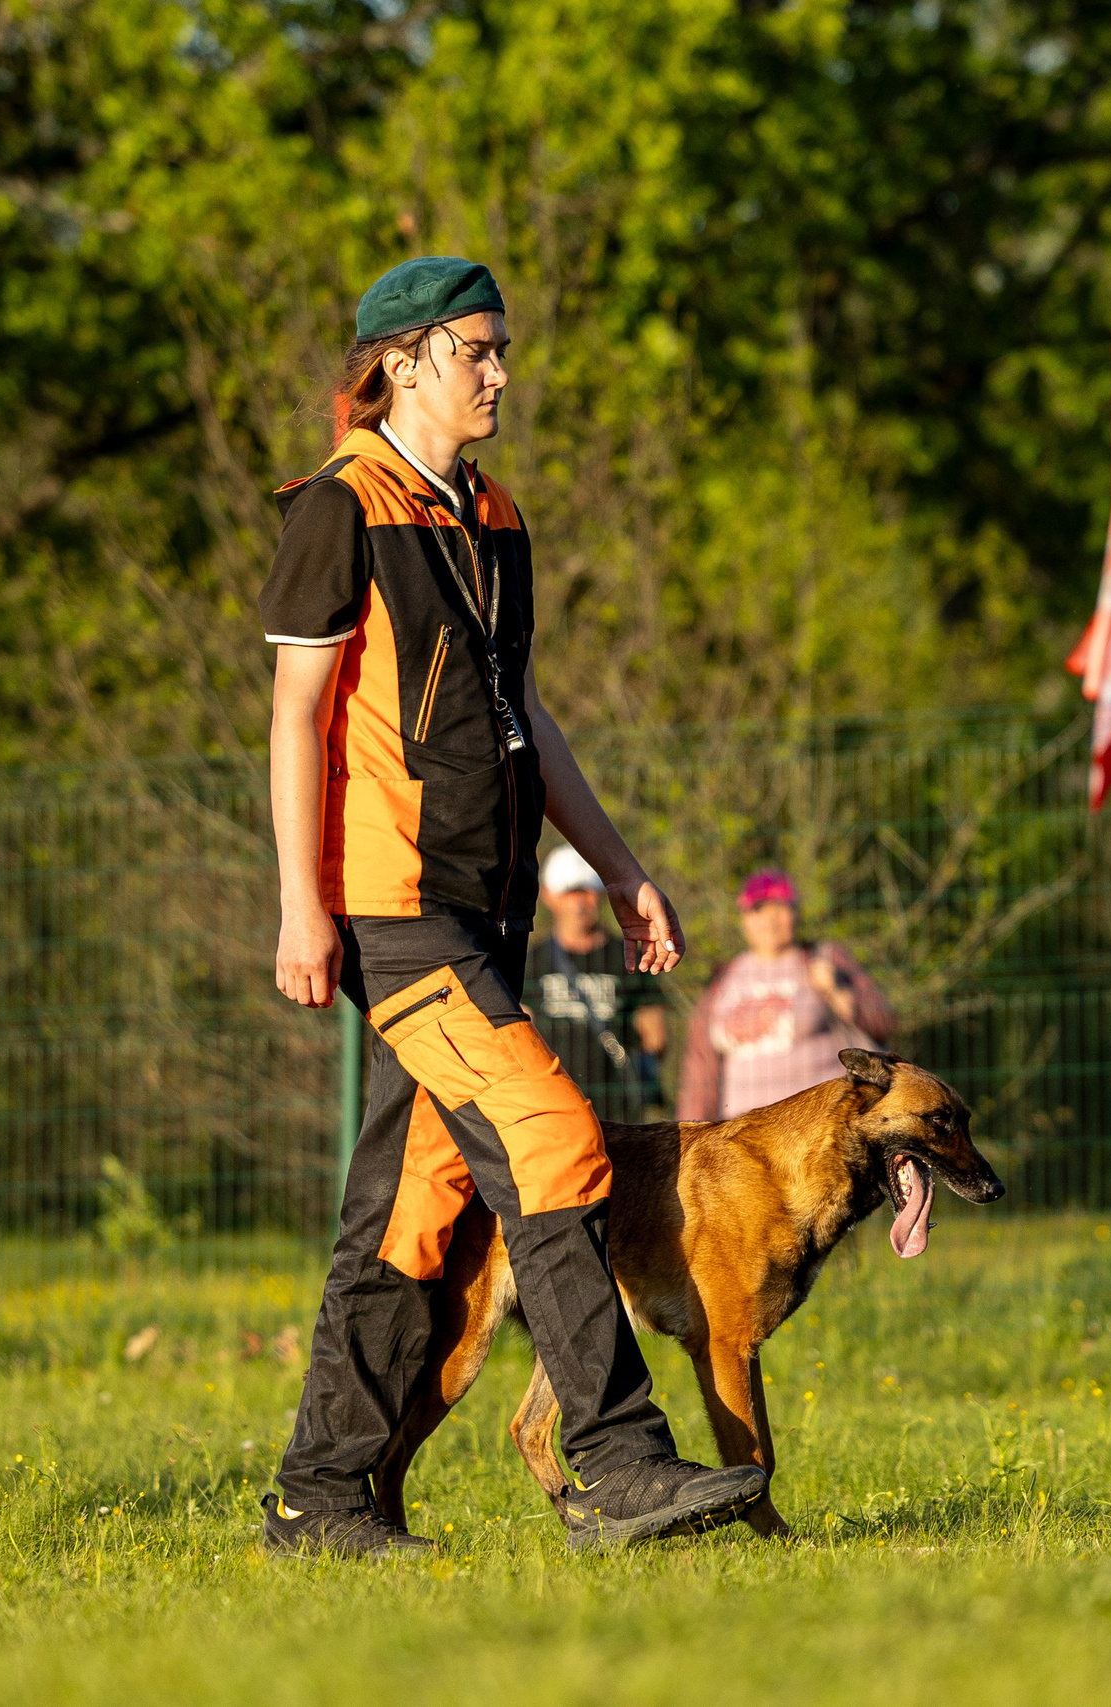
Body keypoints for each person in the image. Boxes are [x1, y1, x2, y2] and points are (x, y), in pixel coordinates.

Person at [258, 256, 767, 1558]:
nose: (499, 371)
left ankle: (319, 1500)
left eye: (501, 348)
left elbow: (521, 709)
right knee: (552, 1132)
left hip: (491, 919)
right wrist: (301, 908)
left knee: (416, 1206)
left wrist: (619, 861)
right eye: (476, 350)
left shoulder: (492, 513)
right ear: (407, 360)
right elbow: (298, 714)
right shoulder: (339, 507)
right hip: (394, 911)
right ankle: (619, 1462)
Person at [677, 867, 897, 1122]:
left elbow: (884, 1021)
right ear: (744, 919)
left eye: (780, 908)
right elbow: (700, 1068)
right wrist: (690, 1132)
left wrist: (837, 992)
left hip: (818, 1123)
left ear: (795, 913)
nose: (770, 920)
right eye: (759, 910)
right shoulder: (723, 980)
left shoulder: (823, 959)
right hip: (744, 1133)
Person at [523, 845, 669, 1124]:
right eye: (570, 892)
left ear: (600, 894)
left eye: (586, 892)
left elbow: (656, 1038)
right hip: (551, 1112)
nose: (579, 903)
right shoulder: (532, 963)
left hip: (620, 1115)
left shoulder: (631, 959)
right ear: (548, 895)